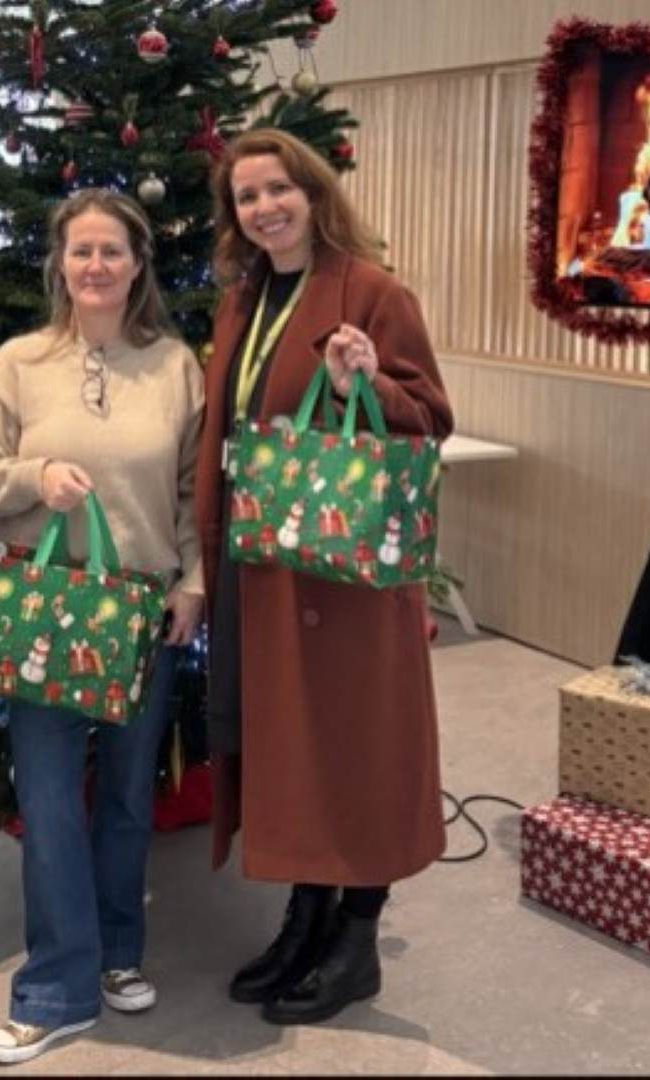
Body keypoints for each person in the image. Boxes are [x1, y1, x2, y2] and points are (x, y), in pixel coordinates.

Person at [195, 128, 455, 1026]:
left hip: (347, 576)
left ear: (313, 193)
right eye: (247, 197)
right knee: (291, 743)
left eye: (279, 190)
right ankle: (305, 916)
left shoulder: (372, 291)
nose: (265, 208)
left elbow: (430, 418)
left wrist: (363, 386)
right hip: (267, 565)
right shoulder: (246, 298)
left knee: (360, 744)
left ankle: (358, 937)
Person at [0, 188, 205, 1065]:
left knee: (131, 797)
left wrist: (196, 583)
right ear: (58, 264)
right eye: (80, 251)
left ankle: (118, 952)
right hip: (43, 612)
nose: (95, 266)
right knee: (53, 803)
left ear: (138, 264)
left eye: (112, 251)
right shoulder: (18, 362)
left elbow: (189, 494)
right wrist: (36, 477)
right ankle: (56, 987)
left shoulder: (177, 366)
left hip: (142, 611)